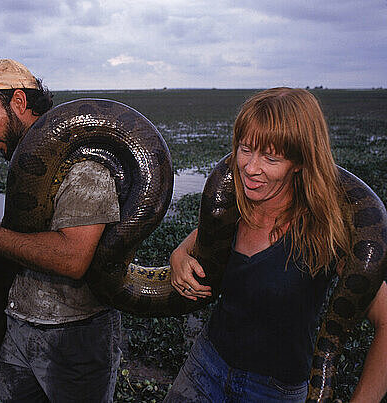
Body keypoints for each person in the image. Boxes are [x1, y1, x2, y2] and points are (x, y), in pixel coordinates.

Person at [165, 88, 387, 402]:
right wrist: (178, 255)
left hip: (273, 391)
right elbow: (198, 238)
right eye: (245, 149)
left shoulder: (327, 233)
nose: (250, 168)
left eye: (271, 158)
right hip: (205, 365)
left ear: (300, 161)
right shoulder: (235, 208)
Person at [0, 59, 122, 402]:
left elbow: (73, 258)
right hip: (19, 326)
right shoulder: (31, 163)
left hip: (74, 338)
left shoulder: (83, 165)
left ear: (19, 103)